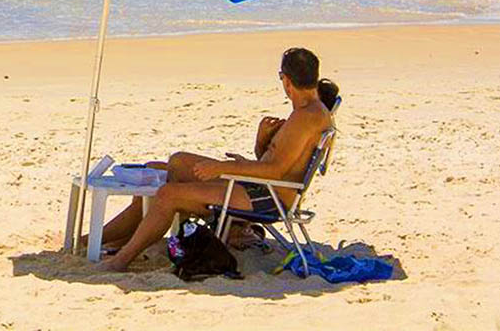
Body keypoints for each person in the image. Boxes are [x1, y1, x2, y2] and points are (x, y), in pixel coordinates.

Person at [97, 48, 336, 272]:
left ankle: (120, 259)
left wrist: (223, 167)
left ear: (285, 80)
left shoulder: (306, 117)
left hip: (266, 197)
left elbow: (275, 170)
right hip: (262, 187)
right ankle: (123, 238)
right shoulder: (308, 112)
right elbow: (278, 163)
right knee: (178, 162)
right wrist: (261, 141)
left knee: (168, 194)